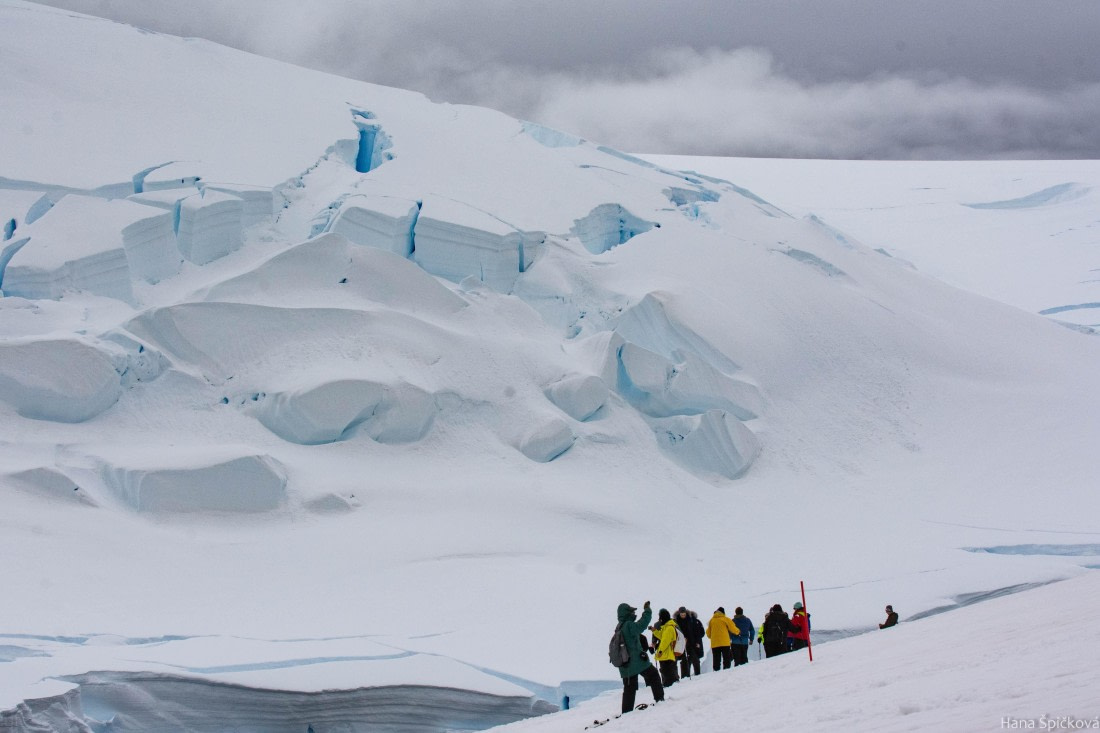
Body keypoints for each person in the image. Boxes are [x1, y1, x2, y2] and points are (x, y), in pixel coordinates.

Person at [616, 601, 664, 714]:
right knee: (654, 675)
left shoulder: (619, 627)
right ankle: (660, 699)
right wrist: (647, 611)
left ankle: (626, 713)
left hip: (625, 665)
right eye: (631, 611)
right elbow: (641, 625)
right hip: (636, 662)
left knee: (629, 689)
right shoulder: (628, 625)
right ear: (627, 613)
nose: (633, 612)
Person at [651, 608, 681, 687]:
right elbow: (661, 636)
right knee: (668, 670)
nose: (659, 620)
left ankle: (669, 685)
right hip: (666, 654)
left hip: (666, 654)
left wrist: (660, 652)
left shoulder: (669, 628)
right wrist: (654, 630)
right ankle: (671, 683)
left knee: (666, 671)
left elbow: (665, 642)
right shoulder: (667, 627)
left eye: (660, 618)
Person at [705, 606, 740, 671]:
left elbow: (708, 634)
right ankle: (726, 671)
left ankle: (716, 671)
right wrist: (738, 632)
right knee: (726, 658)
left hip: (715, 643)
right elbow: (733, 628)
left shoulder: (711, 621)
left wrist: (713, 636)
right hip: (725, 642)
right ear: (723, 613)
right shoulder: (726, 619)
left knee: (716, 659)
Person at [675, 607, 704, 678]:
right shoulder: (676, 622)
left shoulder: (692, 620)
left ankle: (697, 675)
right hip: (681, 644)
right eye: (681, 614)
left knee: (695, 659)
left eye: (684, 614)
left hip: (692, 643)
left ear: (686, 613)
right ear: (679, 614)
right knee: (684, 660)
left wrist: (697, 642)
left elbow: (699, 633)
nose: (683, 616)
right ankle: (685, 677)